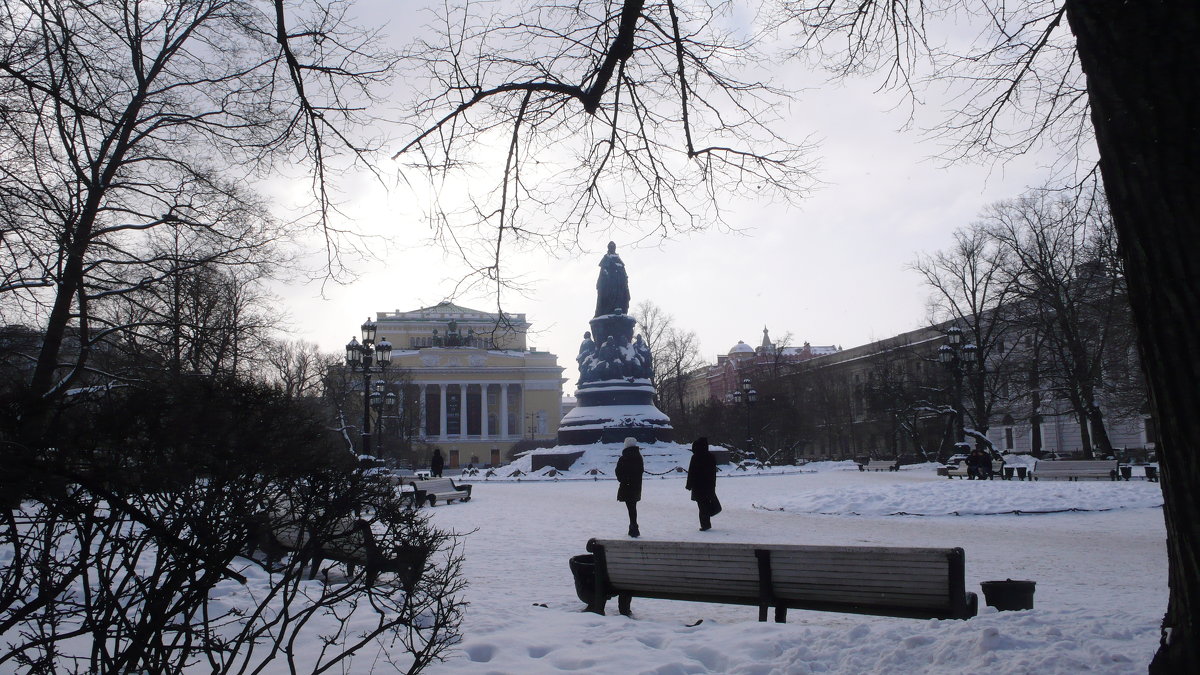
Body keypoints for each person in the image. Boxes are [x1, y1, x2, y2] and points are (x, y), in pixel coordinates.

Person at [686, 437, 720, 531]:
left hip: (698, 485)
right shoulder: (711, 456)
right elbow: (712, 472)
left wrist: (689, 485)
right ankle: (707, 521)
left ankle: (705, 524)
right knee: (706, 503)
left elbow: (691, 472)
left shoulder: (696, 457)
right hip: (709, 485)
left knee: (702, 505)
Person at [615, 437, 644, 537]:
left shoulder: (624, 458)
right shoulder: (639, 457)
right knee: (633, 507)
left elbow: (618, 472)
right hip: (636, 486)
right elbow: (640, 471)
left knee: (631, 507)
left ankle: (633, 527)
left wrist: (623, 479)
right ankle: (633, 526)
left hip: (627, 486)